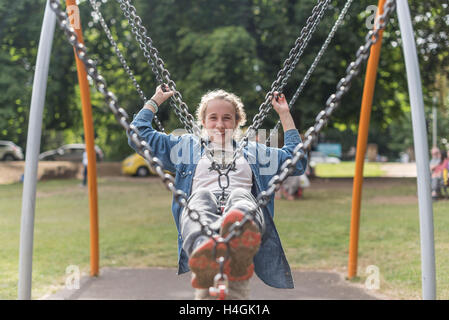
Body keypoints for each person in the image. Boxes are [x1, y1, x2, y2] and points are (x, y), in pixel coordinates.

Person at [128, 85, 307, 299]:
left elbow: (296, 162)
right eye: (213, 118)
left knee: (240, 197)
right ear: (203, 121)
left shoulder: (255, 152)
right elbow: (138, 135)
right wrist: (156, 99)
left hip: (243, 216)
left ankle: (238, 236)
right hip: (201, 220)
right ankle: (206, 250)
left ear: (237, 122)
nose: (220, 125)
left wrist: (284, 114)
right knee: (200, 198)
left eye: (227, 118)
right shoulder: (186, 146)